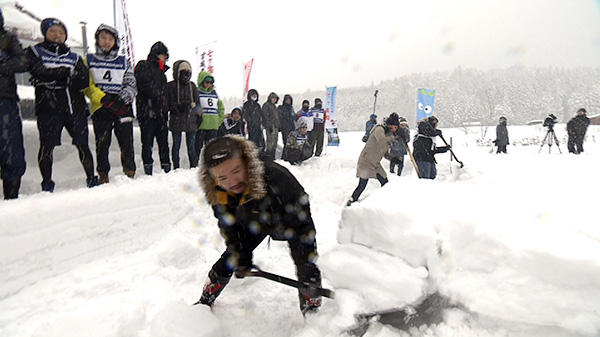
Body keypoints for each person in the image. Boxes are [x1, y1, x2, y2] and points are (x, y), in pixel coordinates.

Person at [196, 135, 322, 316]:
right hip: (256, 217)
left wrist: (307, 270)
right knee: (231, 256)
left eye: (236, 171)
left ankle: (312, 309)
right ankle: (205, 299)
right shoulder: (218, 191)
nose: (231, 182)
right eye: (222, 177)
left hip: (288, 214)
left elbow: (303, 227)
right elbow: (230, 226)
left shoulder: (278, 178)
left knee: (306, 261)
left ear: (247, 163)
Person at [25, 18, 98, 192]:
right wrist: (64, 73)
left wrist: (55, 77)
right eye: (53, 31)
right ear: (45, 33)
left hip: (75, 107)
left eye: (61, 32)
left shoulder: (74, 56)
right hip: (48, 108)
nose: (57, 35)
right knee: (47, 146)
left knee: (82, 144)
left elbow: (83, 79)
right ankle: (47, 184)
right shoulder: (35, 51)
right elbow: (37, 71)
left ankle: (91, 179)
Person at [84, 24, 137, 183]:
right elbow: (87, 85)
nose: (106, 42)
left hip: (122, 107)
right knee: (102, 144)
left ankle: (130, 173)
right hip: (101, 107)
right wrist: (103, 98)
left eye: (110, 39)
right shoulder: (88, 60)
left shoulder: (123, 61)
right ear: (97, 39)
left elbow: (131, 83)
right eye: (103, 38)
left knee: (127, 143)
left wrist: (123, 97)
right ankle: (103, 175)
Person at [0, 8, 28, 199]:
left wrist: (2, 66)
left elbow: (23, 60)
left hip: (6, 98)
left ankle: (12, 195)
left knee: (10, 147)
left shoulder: (7, 38)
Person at [347, 113, 401, 206]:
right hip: (366, 161)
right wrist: (395, 137)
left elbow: (384, 152)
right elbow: (382, 140)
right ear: (390, 125)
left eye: (397, 128)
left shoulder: (388, 134)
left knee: (385, 183)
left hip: (375, 164)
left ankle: (384, 202)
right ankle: (352, 201)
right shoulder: (379, 129)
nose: (395, 130)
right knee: (362, 185)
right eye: (394, 127)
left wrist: (393, 159)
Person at [135, 41, 171, 175]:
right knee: (147, 143)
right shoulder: (143, 66)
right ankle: (148, 171)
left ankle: (167, 169)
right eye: (165, 56)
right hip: (146, 112)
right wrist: (158, 97)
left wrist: (165, 107)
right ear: (158, 55)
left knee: (164, 144)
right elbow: (144, 83)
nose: (166, 59)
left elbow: (165, 94)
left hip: (160, 114)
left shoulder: (163, 74)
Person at [167, 60, 200, 169]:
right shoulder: (171, 86)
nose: (185, 75)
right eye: (183, 72)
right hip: (177, 119)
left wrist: (200, 115)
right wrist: (178, 107)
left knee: (191, 146)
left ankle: (193, 166)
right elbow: (169, 102)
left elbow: (198, 102)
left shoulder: (192, 86)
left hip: (191, 119)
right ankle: (176, 167)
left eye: (188, 72)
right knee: (176, 145)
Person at [196, 71, 225, 158]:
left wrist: (219, 121)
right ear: (201, 81)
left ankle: (211, 164)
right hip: (201, 125)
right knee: (197, 147)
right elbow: (195, 107)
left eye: (211, 82)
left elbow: (221, 108)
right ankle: (195, 165)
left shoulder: (214, 93)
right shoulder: (197, 92)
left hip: (213, 125)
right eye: (207, 82)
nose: (209, 84)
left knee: (212, 149)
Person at [262, 92, 280, 160]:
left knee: (275, 141)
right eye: (273, 98)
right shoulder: (266, 105)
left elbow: (277, 117)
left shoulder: (274, 106)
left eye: (275, 98)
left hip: (275, 126)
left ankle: (273, 156)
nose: (274, 99)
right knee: (270, 142)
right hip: (270, 126)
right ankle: (268, 157)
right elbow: (265, 116)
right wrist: (268, 125)